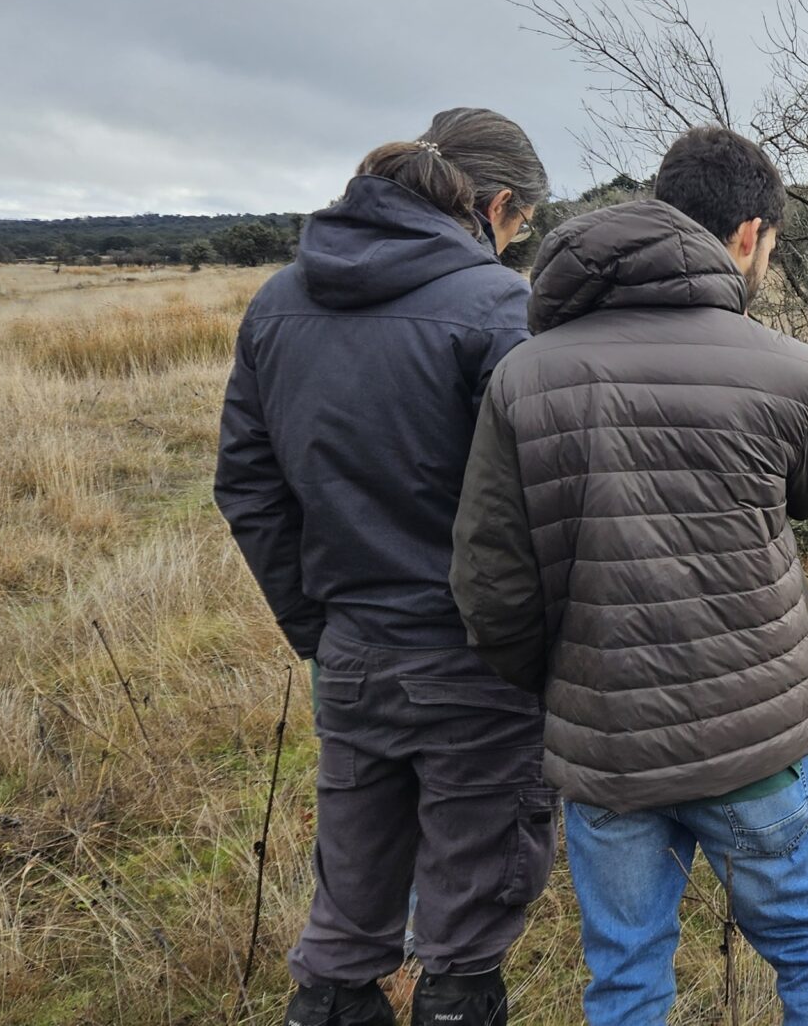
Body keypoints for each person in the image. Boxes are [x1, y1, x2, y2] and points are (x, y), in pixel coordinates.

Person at [450, 125, 808, 1026]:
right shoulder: (783, 367)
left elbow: (491, 588)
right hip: (755, 735)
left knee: (627, 976)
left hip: (606, 744)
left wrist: (563, 680)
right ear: (748, 235)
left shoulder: (524, 375)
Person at [214, 108, 552, 1026]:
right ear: (497, 205)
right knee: (466, 940)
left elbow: (247, 485)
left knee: (346, 919)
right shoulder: (497, 306)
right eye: (521, 226)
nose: (515, 243)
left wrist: (319, 625)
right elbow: (540, 498)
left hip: (353, 655)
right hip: (478, 667)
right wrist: (521, 640)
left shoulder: (277, 301)